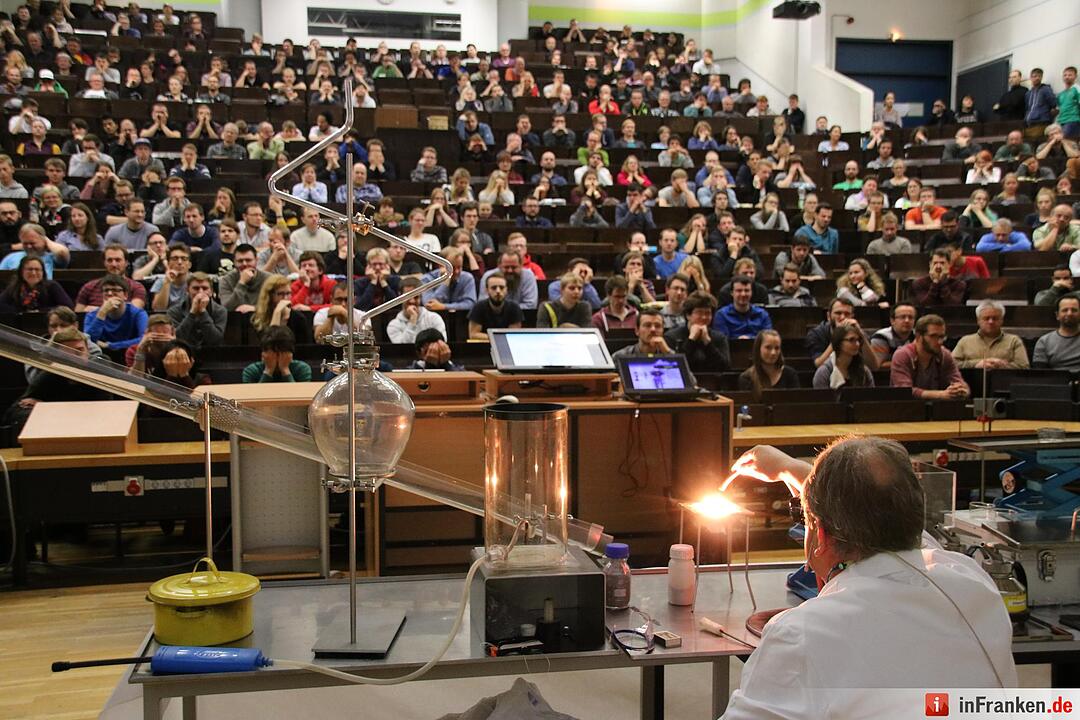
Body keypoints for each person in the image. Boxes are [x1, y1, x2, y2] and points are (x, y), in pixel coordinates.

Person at [724, 436, 1017, 719]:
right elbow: (906, 534)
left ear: (821, 536)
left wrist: (801, 480)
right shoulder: (973, 582)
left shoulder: (801, 634)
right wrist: (794, 470)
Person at [3, 329, 111, 433]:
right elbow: (14, 412)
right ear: (58, 357)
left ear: (88, 351)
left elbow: (105, 410)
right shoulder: (52, 374)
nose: (75, 358)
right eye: (67, 354)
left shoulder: (100, 368)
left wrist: (49, 409)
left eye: (79, 351)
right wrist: (42, 410)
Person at [889, 314, 971, 399]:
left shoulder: (944, 355)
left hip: (937, 409)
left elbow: (961, 384)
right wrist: (941, 395)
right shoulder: (903, 355)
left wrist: (960, 390)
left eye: (941, 337)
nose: (939, 342)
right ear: (918, 336)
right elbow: (905, 391)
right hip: (907, 409)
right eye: (933, 336)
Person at [661, 291, 731, 372]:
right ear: (688, 315)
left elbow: (725, 368)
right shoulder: (671, 337)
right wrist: (691, 340)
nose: (704, 317)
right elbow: (674, 368)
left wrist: (708, 344)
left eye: (708, 313)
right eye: (699, 313)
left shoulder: (720, 338)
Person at [952, 300, 1030, 370]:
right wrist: (976, 364)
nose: (991, 322)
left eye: (995, 318)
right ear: (978, 320)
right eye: (986, 318)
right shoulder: (965, 341)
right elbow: (950, 365)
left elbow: (1025, 367)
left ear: (1002, 320)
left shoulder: (1014, 341)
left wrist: (1002, 365)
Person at [167, 272, 226, 349]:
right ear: (187, 290)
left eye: (205, 288)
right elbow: (177, 338)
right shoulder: (174, 311)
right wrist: (192, 313)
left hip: (213, 354)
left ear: (211, 291)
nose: (200, 292)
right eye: (196, 288)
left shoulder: (220, 311)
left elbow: (215, 340)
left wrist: (203, 312)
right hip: (183, 352)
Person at [0, 254, 73, 313]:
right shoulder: (14, 287)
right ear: (21, 271)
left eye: (37, 270)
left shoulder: (52, 286)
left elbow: (67, 307)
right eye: (29, 269)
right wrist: (20, 312)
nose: (34, 273)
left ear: (43, 272)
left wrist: (40, 311)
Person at [387, 276, 448, 344]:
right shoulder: (393, 325)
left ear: (421, 296)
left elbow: (442, 345)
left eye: (416, 297)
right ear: (400, 296)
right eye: (408, 297)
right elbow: (403, 348)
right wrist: (412, 321)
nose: (412, 301)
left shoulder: (434, 318)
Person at [813, 323, 875, 389]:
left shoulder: (864, 371)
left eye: (858, 340)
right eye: (851, 340)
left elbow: (871, 397)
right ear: (839, 343)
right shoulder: (824, 372)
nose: (857, 344)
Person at [243, 326, 312, 382]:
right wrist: (268, 371)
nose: (277, 358)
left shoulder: (302, 369)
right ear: (263, 354)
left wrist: (285, 370)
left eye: (281, 353)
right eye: (272, 353)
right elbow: (255, 396)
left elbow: (299, 396)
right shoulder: (251, 371)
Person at [468, 272, 524, 339]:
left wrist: (491, 337)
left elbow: (514, 336)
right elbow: (473, 335)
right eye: (494, 288)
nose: (498, 291)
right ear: (487, 290)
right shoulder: (478, 307)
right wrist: (496, 338)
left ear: (507, 290)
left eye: (501, 287)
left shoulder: (514, 308)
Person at [420, 247, 477, 312]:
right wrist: (445, 280)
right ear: (441, 265)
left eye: (459, 267)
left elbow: (470, 304)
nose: (456, 271)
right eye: (452, 267)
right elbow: (429, 304)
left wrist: (444, 307)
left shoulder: (467, 278)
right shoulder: (427, 279)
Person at [220, 244, 270, 313]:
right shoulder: (226, 280)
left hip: (263, 320)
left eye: (248, 260)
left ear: (256, 260)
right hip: (236, 320)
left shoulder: (269, 279)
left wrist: (255, 308)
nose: (244, 264)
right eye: (240, 261)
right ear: (234, 262)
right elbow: (227, 308)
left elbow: (277, 306)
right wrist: (242, 283)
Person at [1033, 296, 1080, 368]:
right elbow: (1040, 374)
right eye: (1065, 310)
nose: (1069, 313)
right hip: (1056, 378)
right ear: (1057, 315)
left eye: (1074, 310)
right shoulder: (1044, 342)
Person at [870, 304, 916, 370]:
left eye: (911, 317)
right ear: (892, 321)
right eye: (902, 317)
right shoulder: (880, 337)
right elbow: (877, 365)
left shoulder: (919, 336)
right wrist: (907, 363)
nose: (907, 321)